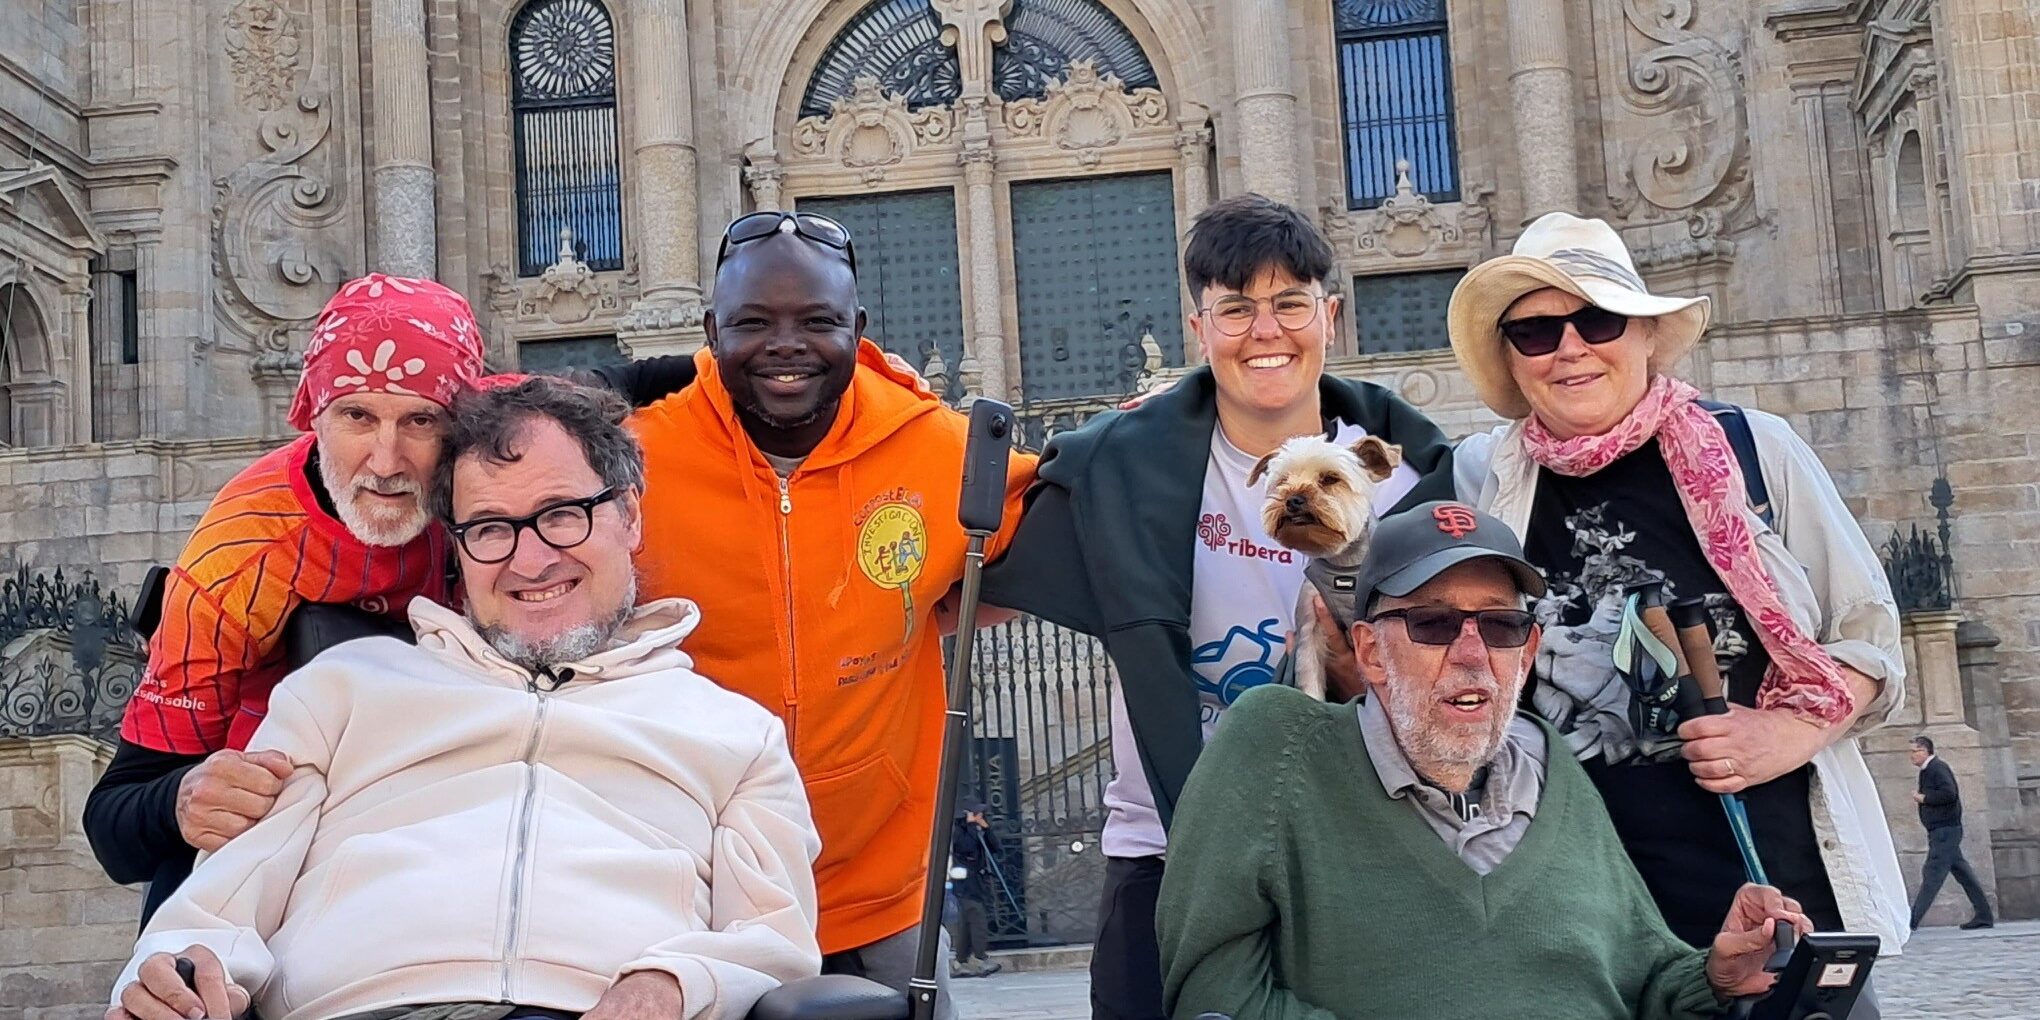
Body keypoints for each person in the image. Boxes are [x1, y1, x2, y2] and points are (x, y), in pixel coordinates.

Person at [107, 376, 821, 1020]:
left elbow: (774, 941)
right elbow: (218, 910)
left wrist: (672, 986)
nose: (530, 558)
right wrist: (171, 977)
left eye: (563, 514)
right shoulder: (341, 690)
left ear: (629, 516)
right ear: (456, 547)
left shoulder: (737, 735)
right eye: (490, 529)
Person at [979, 194, 1456, 1020]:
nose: (1265, 331)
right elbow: (970, 594)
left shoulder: (1408, 476)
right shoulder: (1117, 465)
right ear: (1199, 330)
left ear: (1330, 316)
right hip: (1166, 850)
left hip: (1360, 845)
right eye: (1236, 309)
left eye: (1289, 304)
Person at [1446, 212, 1910, 954]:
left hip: (1781, 892)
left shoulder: (1755, 450)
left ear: (1645, 335)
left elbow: (1870, 635)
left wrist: (1784, 733)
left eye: (1597, 321)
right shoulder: (1484, 476)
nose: (1569, 349)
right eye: (1535, 332)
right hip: (1586, 914)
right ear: (1511, 357)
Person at [1156, 501, 1812, 1020]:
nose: (1473, 653)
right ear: (1372, 653)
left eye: (1501, 627)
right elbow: (1213, 993)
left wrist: (1714, 975)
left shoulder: (1550, 761)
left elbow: (1641, 978)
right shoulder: (1278, 748)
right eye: (1434, 624)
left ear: (1526, 656)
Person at [623, 211, 1035, 1016]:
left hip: (885, 892)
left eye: (817, 321)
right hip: (701, 890)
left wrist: (919, 613)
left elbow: (1041, 546)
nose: (786, 345)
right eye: (752, 323)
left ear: (858, 328)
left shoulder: (939, 449)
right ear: (711, 330)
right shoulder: (635, 459)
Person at [85, 274, 487, 923]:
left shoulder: (506, 459)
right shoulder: (233, 561)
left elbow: (627, 388)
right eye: (357, 416)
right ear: (312, 414)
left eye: (421, 421)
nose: (386, 462)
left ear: (464, 425)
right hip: (290, 816)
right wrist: (182, 800)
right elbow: (113, 823)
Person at [1908, 735, 1995, 930]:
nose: (1911, 756)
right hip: (1943, 830)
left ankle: (1911, 921)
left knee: (1932, 874)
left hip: (1945, 831)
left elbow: (1949, 794)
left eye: (1915, 751)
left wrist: (1924, 798)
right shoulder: (1928, 770)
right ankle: (1984, 916)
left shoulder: (1937, 768)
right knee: (1964, 874)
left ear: (1925, 751)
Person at [947, 801, 1004, 979]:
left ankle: (960, 961)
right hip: (964, 884)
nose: (980, 817)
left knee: (966, 922)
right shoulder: (959, 831)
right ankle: (979, 958)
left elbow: (996, 848)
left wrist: (986, 829)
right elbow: (966, 848)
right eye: (977, 814)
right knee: (977, 918)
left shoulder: (978, 830)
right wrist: (971, 825)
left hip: (978, 883)